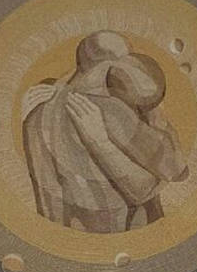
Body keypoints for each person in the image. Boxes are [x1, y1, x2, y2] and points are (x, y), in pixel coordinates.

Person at [22, 30, 187, 232]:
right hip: (133, 237)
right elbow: (175, 169)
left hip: (81, 245)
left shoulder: (35, 116)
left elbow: (49, 206)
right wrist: (152, 111)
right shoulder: (113, 110)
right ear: (109, 67)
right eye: (127, 63)